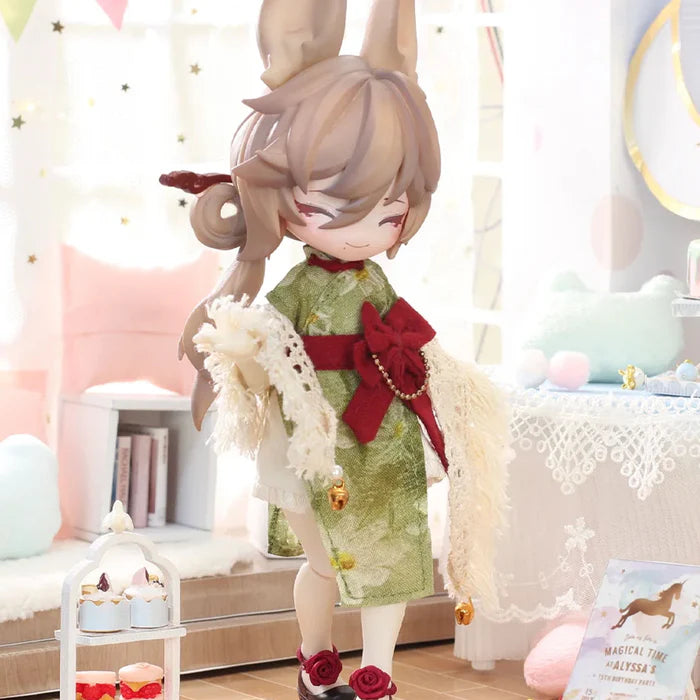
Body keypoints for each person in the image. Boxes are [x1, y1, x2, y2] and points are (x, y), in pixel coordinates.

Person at [161, 2, 511, 697]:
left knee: (395, 558)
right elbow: (261, 348)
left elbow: (414, 344)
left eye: (390, 209)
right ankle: (315, 654)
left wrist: (450, 394)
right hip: (312, 438)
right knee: (323, 560)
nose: (363, 230)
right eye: (331, 207)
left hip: (382, 437)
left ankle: (378, 667)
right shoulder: (292, 290)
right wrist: (246, 354)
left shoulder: (377, 284)